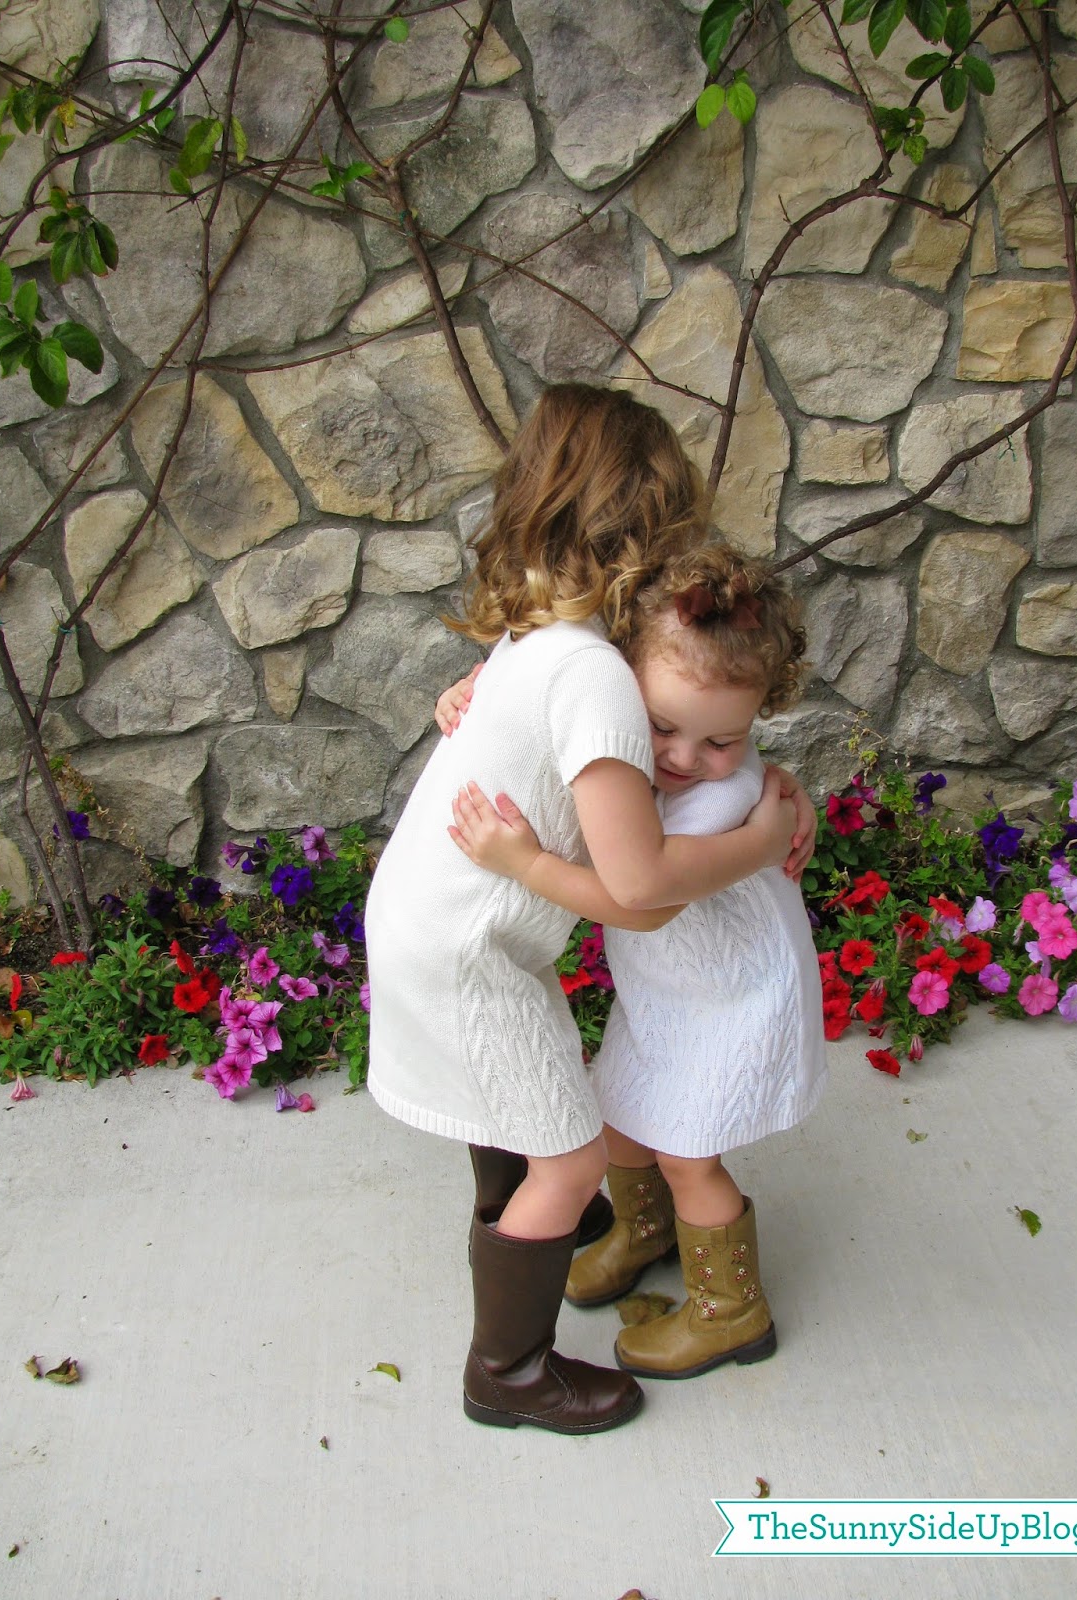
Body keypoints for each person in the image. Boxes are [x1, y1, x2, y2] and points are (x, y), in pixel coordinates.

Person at [363, 384, 814, 1435]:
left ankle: (554, 1236)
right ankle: (508, 1370)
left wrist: (764, 784)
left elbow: (678, 751)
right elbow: (643, 889)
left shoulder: (543, 634)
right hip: (474, 947)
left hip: (437, 920)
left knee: (525, 1120)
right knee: (565, 1157)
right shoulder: (600, 678)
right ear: (652, 523)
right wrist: (761, 838)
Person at [446, 542, 826, 1383]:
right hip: (670, 993)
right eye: (662, 727)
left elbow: (639, 899)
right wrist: (478, 691)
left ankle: (732, 1309)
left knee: (690, 1154)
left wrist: (523, 863)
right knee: (622, 1110)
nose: (685, 758)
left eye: (723, 740)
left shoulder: (726, 802)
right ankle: (644, 1231)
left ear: (760, 716)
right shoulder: (628, 736)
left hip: (733, 998)